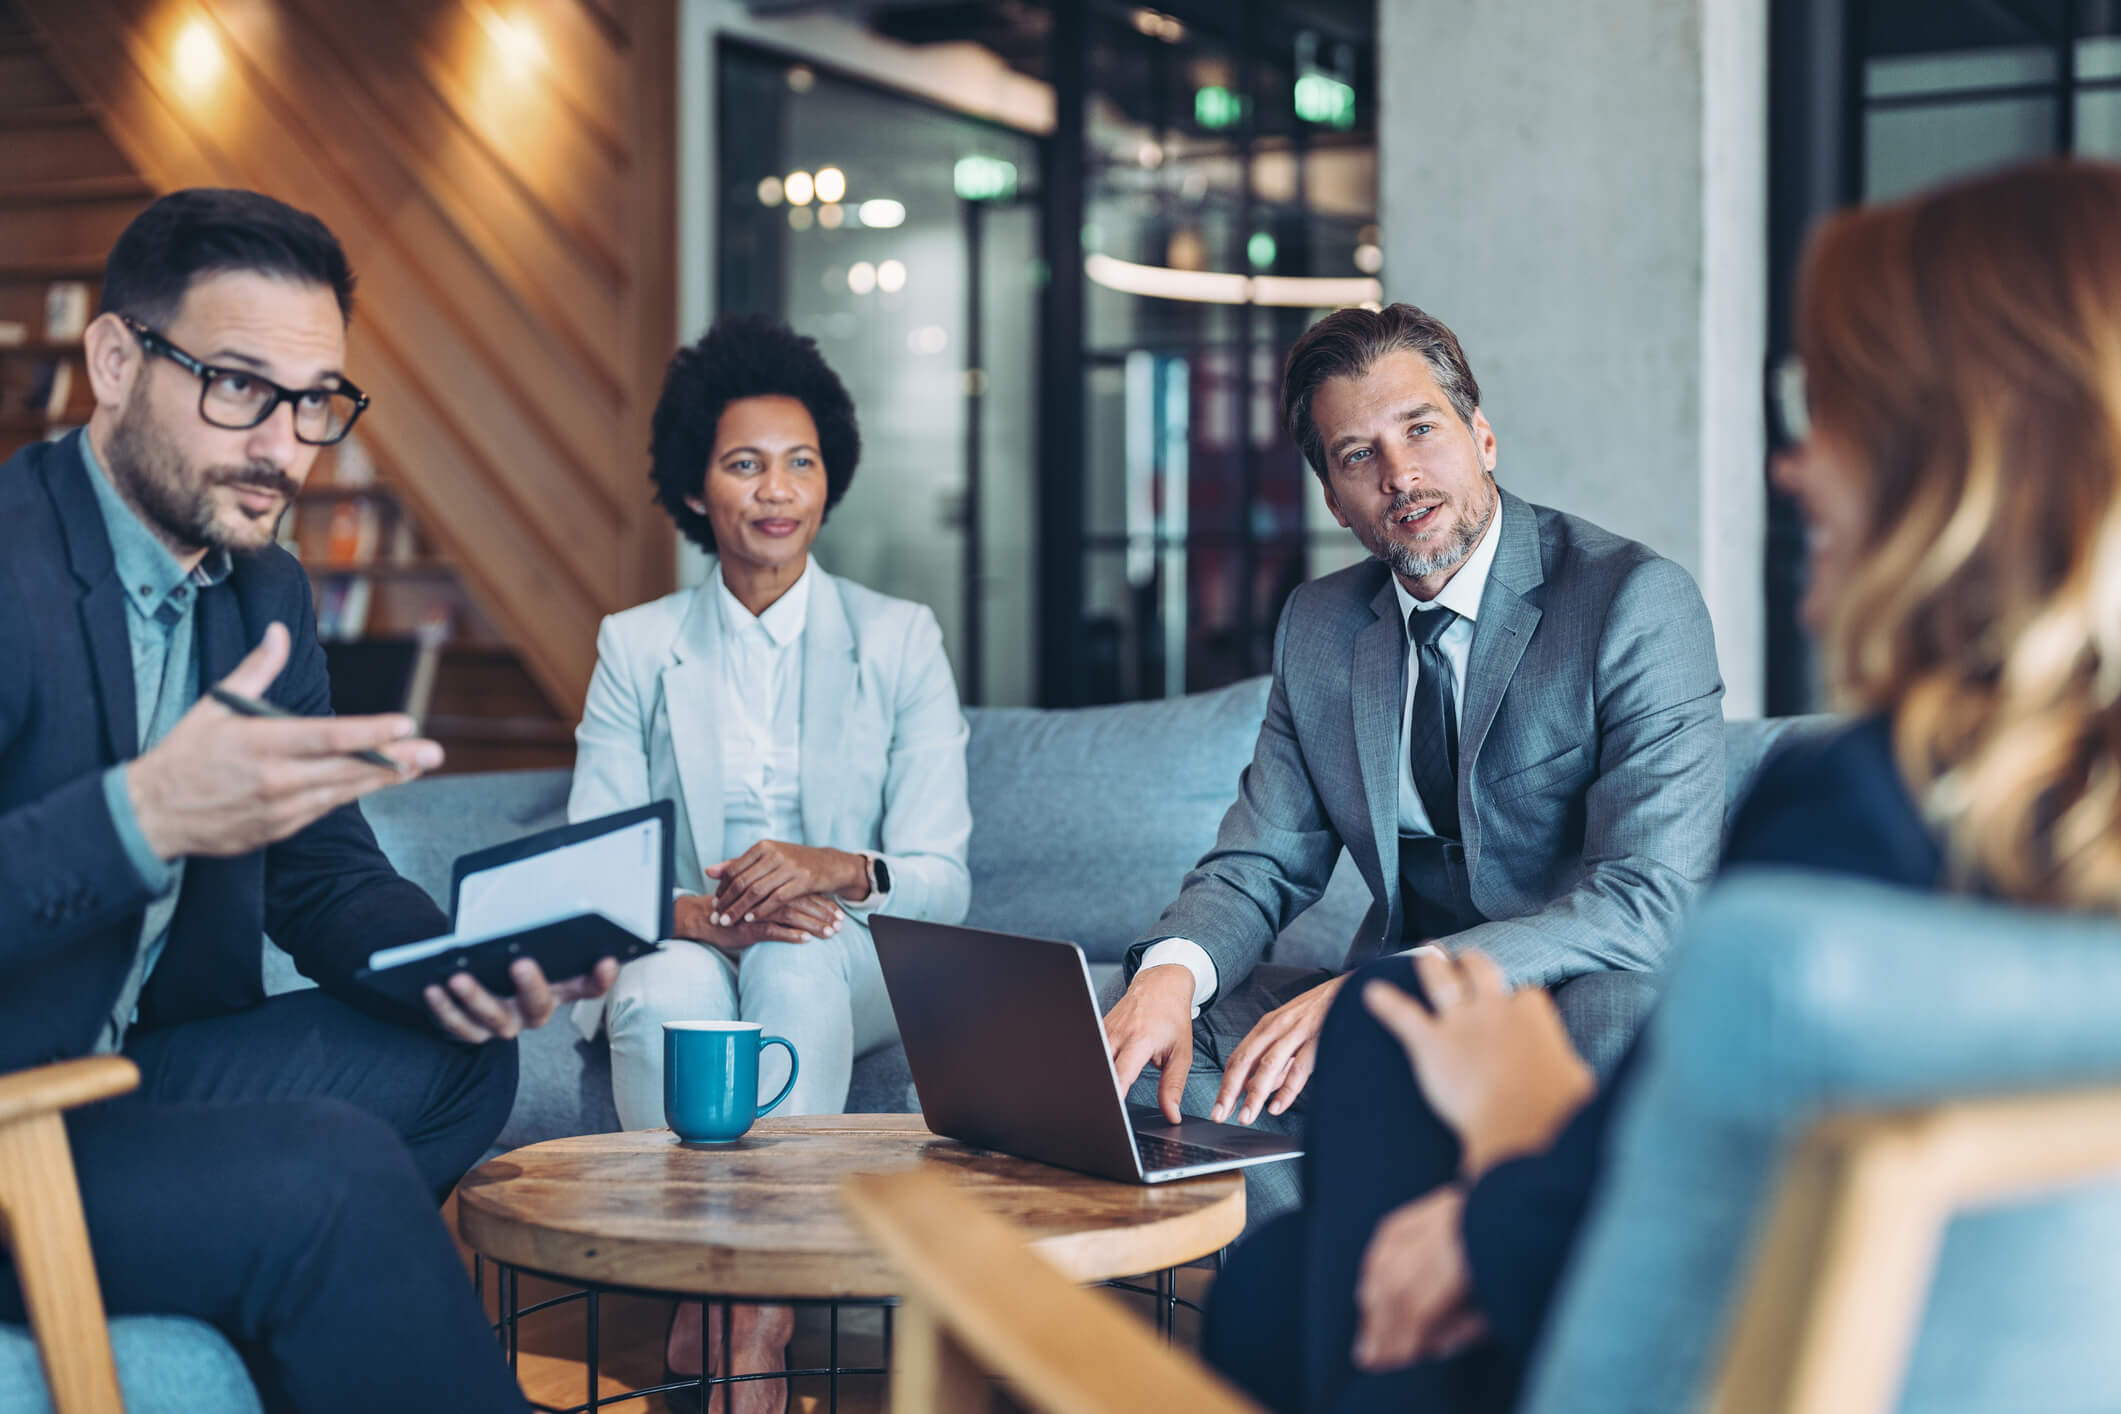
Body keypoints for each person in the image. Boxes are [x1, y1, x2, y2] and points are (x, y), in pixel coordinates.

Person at [1205, 156, 2121, 1414]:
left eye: (1835, 411)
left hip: (1628, 1346)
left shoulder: (1861, 816)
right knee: (1283, 1260)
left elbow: (1644, 1237)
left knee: (1293, 1244)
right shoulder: (2008, 827)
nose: (1795, 471)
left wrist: (1506, 1155)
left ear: (1957, 454)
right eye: (1357, 455)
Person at [0, 189, 617, 1412]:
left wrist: (464, 958)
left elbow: (320, 874)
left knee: (462, 1055)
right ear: (115, 361)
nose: (282, 445)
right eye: (238, 386)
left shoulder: (262, 590)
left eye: (315, 401)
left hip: (134, 1072)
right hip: (17, 1100)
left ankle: (285, 1298)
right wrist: (146, 818)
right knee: (329, 1173)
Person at [1099, 302, 1727, 1226]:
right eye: (1358, 455)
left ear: (1480, 436)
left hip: (1560, 999)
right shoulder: (1320, 625)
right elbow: (1260, 863)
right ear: (1333, 498)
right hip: (1388, 1014)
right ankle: (1335, 1271)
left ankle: (1458, 1268)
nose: (1400, 475)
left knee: (1627, 1014)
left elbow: (1645, 904)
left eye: (1420, 429)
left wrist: (1391, 984)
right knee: (1129, 1055)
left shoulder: (1633, 602)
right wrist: (1169, 975)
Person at [569, 313, 972, 1407]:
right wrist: (703, 917)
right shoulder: (637, 646)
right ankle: (715, 1297)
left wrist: (832, 867)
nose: (778, 489)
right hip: (690, 935)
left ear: (829, 478)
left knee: (795, 962)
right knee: (661, 990)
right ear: (697, 489)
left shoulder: (898, 638)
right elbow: (597, 864)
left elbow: (941, 874)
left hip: (846, 948)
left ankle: (751, 1314)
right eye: (745, 463)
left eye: (801, 462)